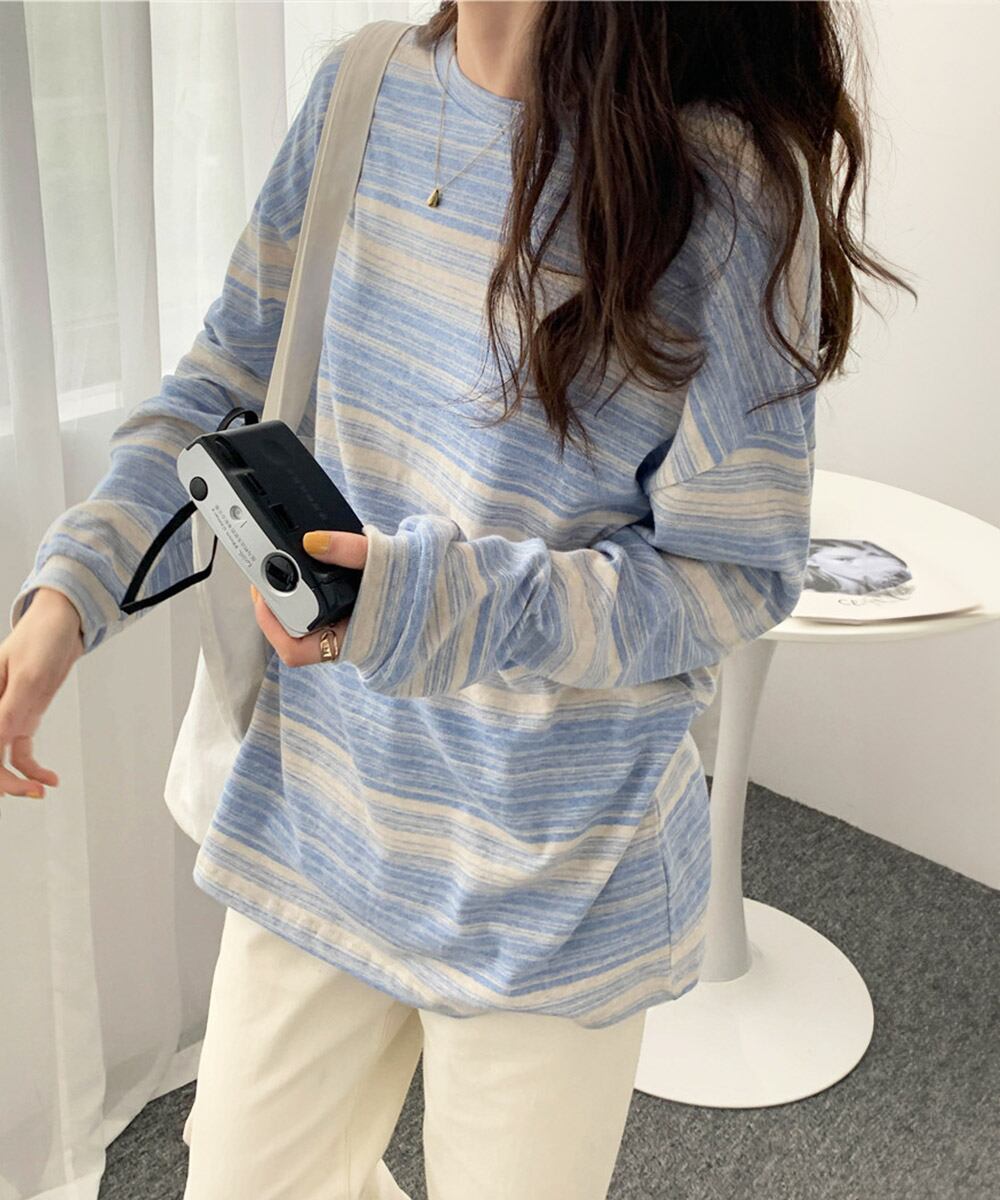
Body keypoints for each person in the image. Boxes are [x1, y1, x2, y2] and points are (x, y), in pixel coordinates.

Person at [0, 3, 915, 1197]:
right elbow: (222, 384)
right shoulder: (362, 88)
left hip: (551, 869)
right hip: (324, 814)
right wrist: (70, 592)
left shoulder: (725, 186)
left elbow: (733, 574)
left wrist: (436, 602)